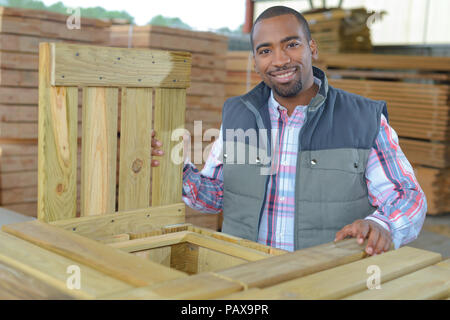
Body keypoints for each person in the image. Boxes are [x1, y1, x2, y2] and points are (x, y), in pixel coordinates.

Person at [152, 6, 427, 256]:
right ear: (255, 62)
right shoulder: (237, 115)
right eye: (265, 51)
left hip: (326, 281)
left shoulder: (364, 119)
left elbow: (407, 196)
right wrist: (177, 171)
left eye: (291, 45)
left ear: (312, 48)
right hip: (246, 276)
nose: (280, 60)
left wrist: (381, 224)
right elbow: (218, 194)